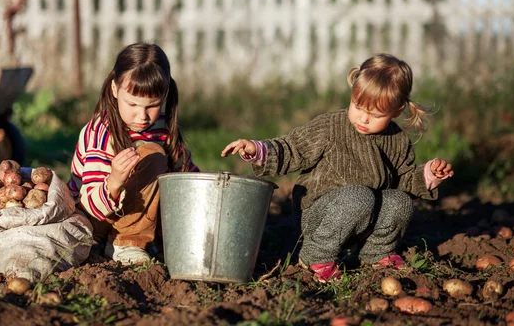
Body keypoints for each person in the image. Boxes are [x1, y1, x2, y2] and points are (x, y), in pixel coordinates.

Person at [221, 54, 453, 282]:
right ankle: (315, 256)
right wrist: (257, 150)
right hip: (318, 217)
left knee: (400, 201)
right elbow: (292, 149)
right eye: (358, 106)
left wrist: (429, 174)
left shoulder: (397, 140)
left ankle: (377, 253)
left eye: (375, 114)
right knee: (359, 197)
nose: (363, 119)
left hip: (363, 218)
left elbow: (404, 179)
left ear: (397, 110)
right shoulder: (331, 127)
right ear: (352, 93)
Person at [68, 42, 199, 265]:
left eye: (152, 106)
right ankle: (125, 243)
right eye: (133, 104)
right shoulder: (103, 133)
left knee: (168, 167)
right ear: (114, 90)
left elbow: (185, 170)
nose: (142, 116)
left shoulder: (161, 126)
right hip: (92, 218)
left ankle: (154, 241)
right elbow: (88, 201)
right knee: (152, 155)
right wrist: (114, 181)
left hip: (133, 214)